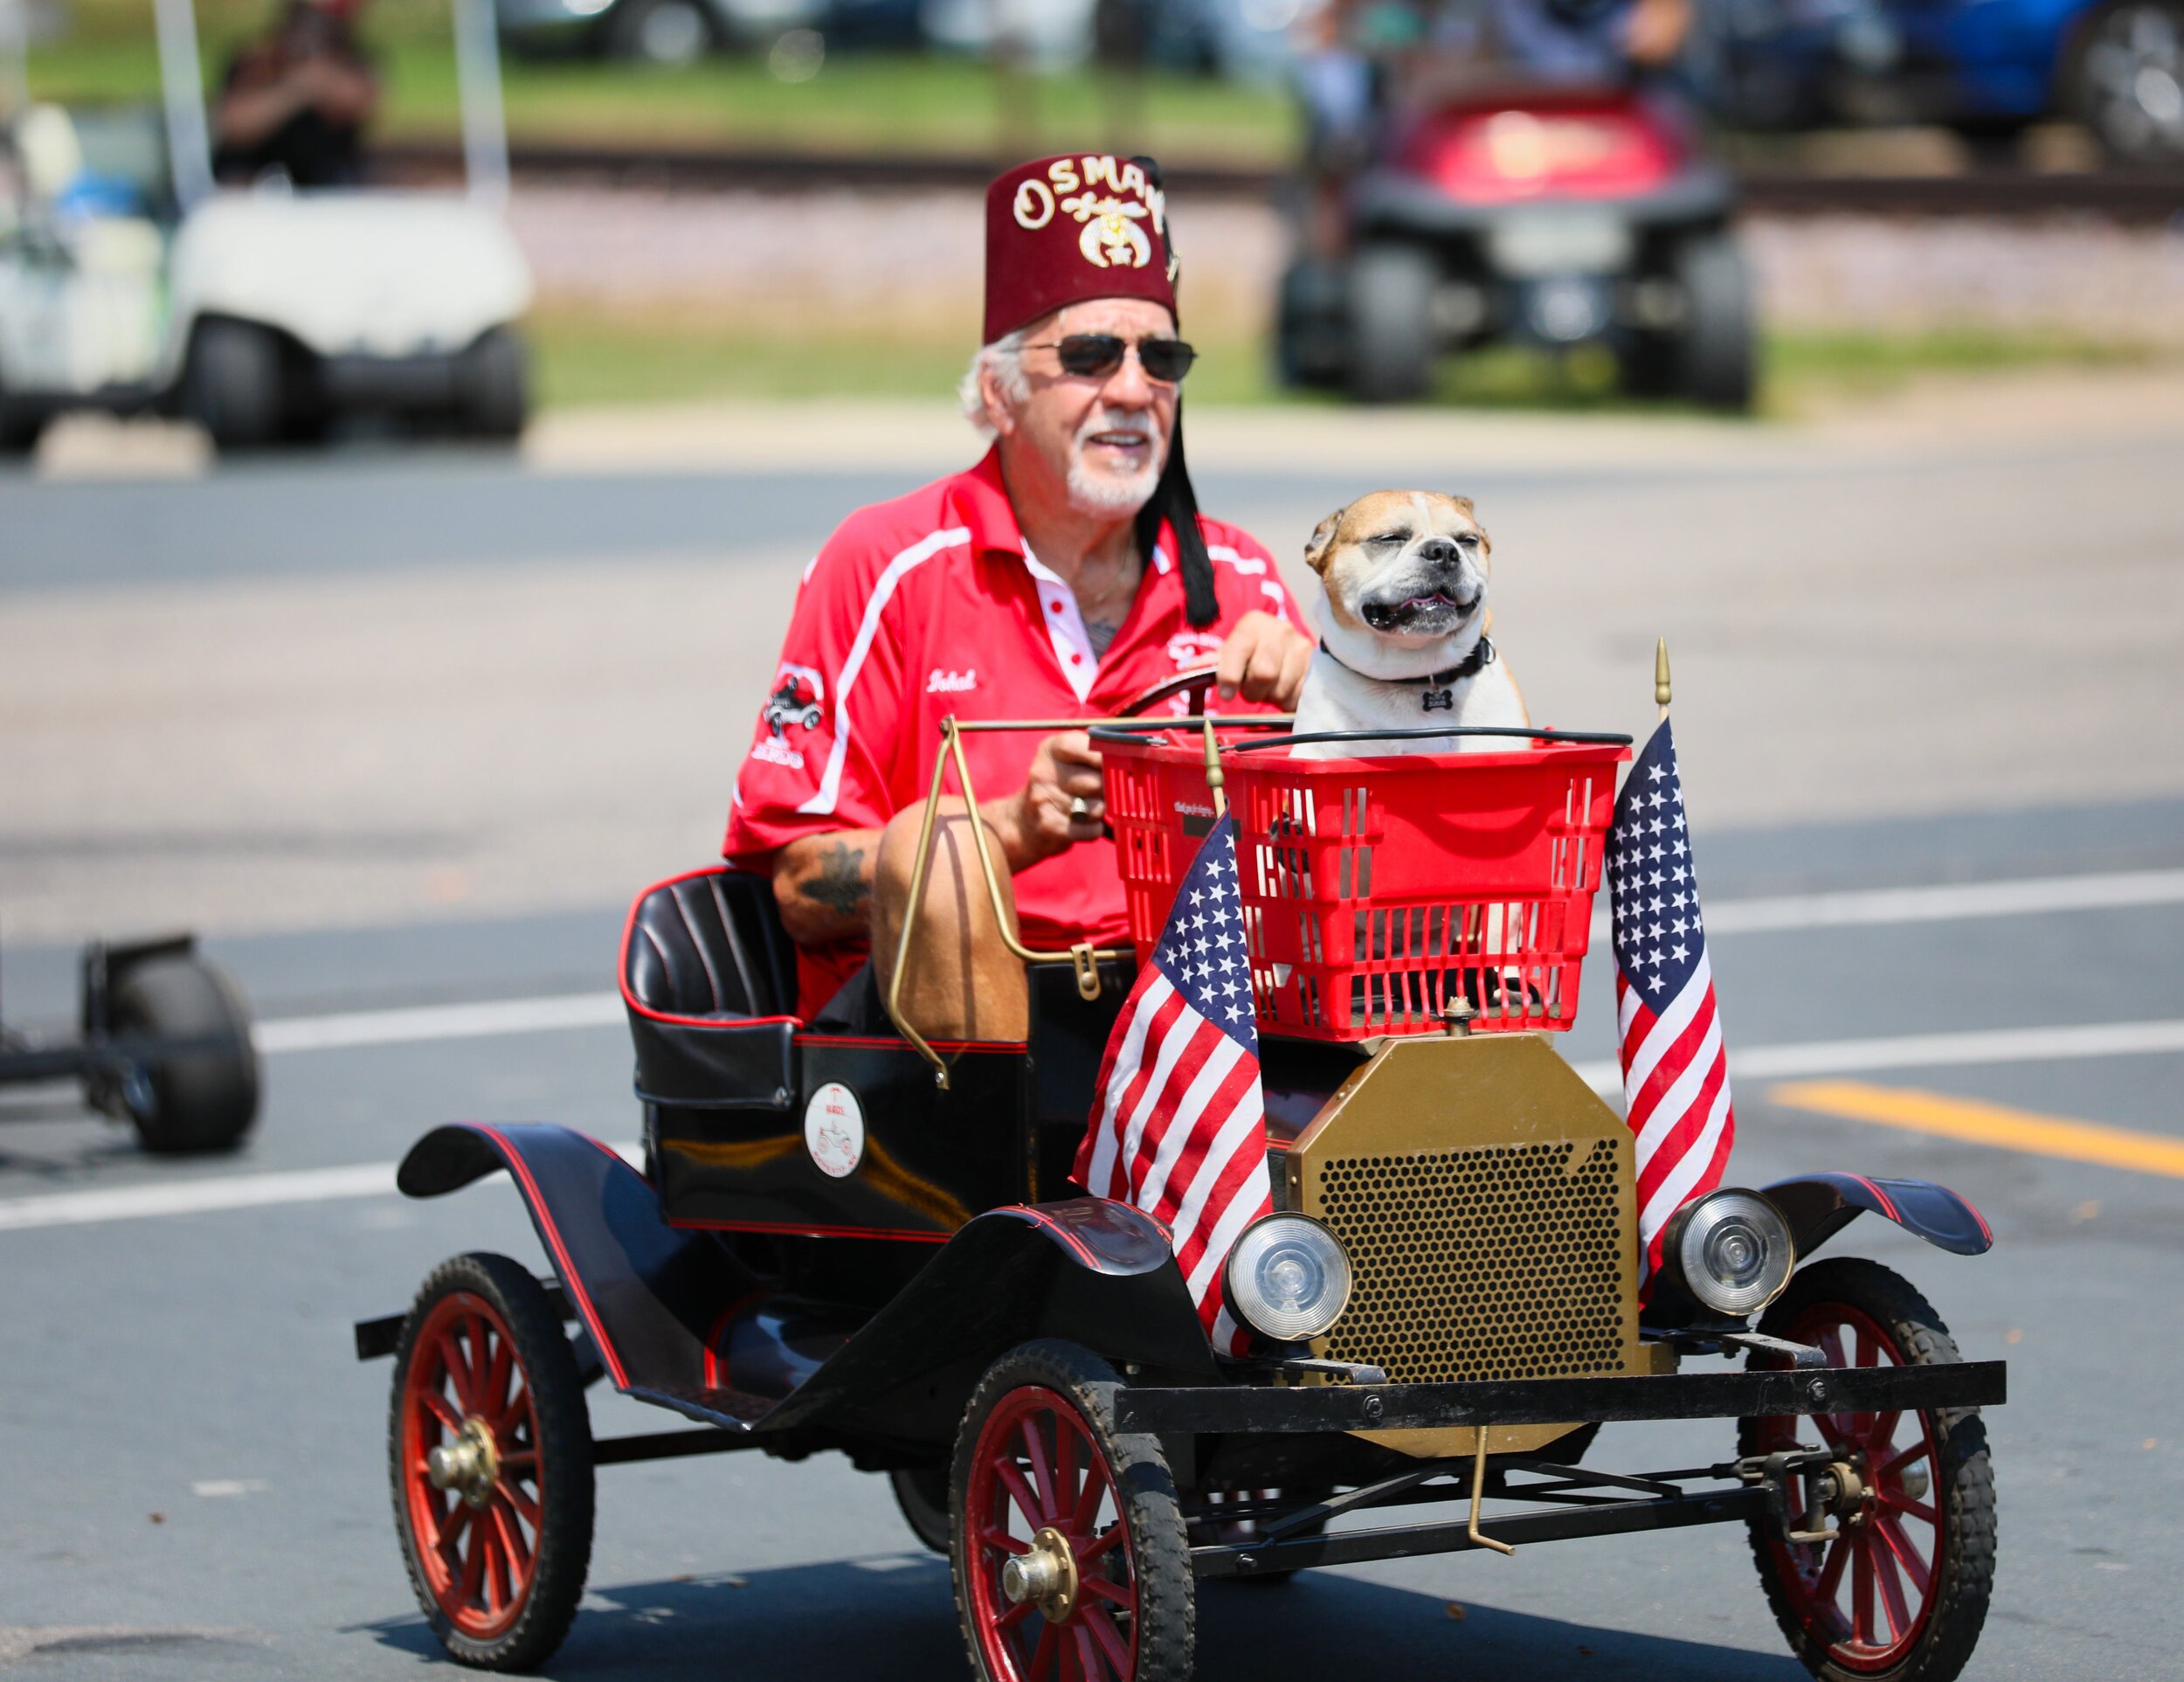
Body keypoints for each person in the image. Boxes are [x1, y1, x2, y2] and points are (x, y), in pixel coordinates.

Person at [723, 154, 1316, 1025]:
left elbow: (1342, 863)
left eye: (1161, 356)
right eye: (1088, 355)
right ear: (998, 392)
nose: (1131, 388)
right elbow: (800, 883)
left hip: (1193, 1041)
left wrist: (1331, 707)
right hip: (947, 1062)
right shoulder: (886, 560)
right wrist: (1006, 827)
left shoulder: (1241, 577)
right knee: (950, 858)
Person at [211, 0, 380, 189]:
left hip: (321, 186)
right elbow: (233, 123)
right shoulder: (257, 61)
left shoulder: (350, 60)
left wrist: (314, 78)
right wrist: (296, 87)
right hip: (252, 184)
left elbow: (359, 97)